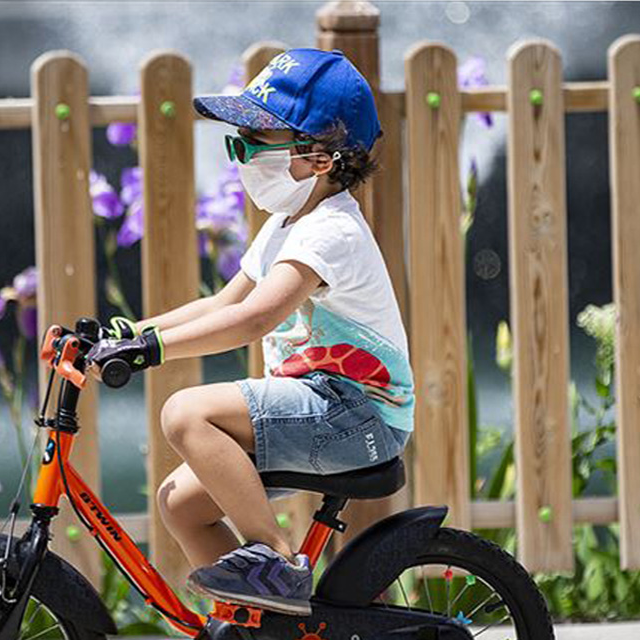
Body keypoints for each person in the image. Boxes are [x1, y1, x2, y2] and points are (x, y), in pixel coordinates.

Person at [84, 48, 414, 616]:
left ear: (320, 158)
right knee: (180, 503)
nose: (240, 156)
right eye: (235, 142)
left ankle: (277, 560)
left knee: (186, 413)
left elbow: (254, 317)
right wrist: (126, 333)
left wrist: (153, 350)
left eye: (254, 142)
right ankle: (255, 626)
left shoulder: (331, 232)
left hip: (356, 415)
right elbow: (221, 301)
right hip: (320, 410)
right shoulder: (288, 226)